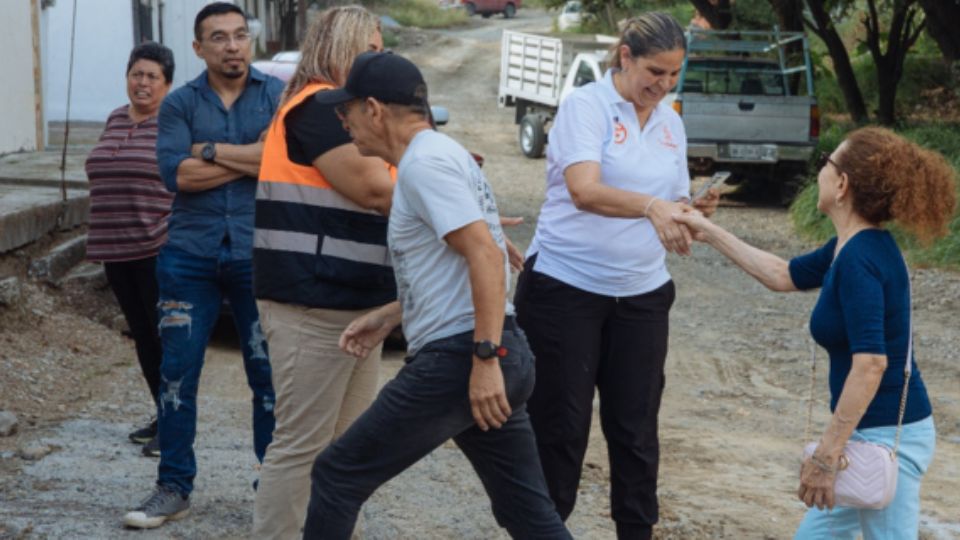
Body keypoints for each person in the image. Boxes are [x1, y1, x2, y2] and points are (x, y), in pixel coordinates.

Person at [301, 51, 571, 539]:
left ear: (376, 109)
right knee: (527, 514)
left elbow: (486, 256)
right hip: (492, 351)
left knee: (338, 475)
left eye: (348, 109)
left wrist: (484, 358)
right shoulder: (439, 157)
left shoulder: (426, 163)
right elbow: (455, 264)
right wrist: (394, 314)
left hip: (464, 357)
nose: (344, 121)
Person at [674, 126, 955, 539]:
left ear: (841, 184)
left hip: (885, 438)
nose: (819, 170)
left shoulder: (860, 259)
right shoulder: (849, 245)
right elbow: (782, 274)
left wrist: (826, 454)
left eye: (827, 162)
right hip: (866, 433)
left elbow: (872, 364)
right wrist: (709, 231)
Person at [512, 12, 719, 539]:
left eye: (674, 74)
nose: (664, 84)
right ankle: (544, 530)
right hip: (565, 289)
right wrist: (652, 207)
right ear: (625, 56)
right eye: (655, 71)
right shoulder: (587, 105)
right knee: (560, 431)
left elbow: (669, 198)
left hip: (642, 294)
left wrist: (690, 208)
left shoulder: (670, 119)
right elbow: (585, 189)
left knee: (636, 431)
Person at [122, 2, 282, 529]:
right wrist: (245, 157)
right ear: (199, 48)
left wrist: (209, 150)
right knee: (176, 375)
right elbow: (177, 177)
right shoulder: (179, 103)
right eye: (220, 37)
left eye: (240, 35)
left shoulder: (275, 97)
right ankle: (173, 487)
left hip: (258, 257)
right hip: (188, 257)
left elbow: (276, 163)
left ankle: (273, 489)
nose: (233, 45)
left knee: (267, 377)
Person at [251, 7, 395, 539]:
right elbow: (378, 189)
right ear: (343, 48)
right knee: (302, 447)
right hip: (312, 302)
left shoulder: (344, 111)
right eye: (372, 50)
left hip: (357, 302)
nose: (381, 60)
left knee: (344, 450)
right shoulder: (320, 107)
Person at [85, 42, 176, 458]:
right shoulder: (115, 119)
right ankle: (163, 414)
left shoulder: (173, 123)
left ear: (166, 84)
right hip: (114, 248)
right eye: (136, 74)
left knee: (166, 339)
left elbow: (186, 179)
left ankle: (175, 425)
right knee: (142, 336)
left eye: (151, 76)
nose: (142, 83)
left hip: (155, 247)